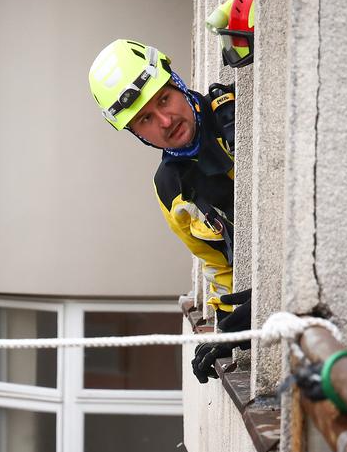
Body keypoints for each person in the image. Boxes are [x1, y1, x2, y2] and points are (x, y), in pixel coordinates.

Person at [87, 38, 248, 383]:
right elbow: (219, 265)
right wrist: (229, 329)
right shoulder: (171, 189)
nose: (164, 120)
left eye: (164, 99)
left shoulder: (238, 108)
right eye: (145, 119)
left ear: (177, 81)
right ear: (133, 132)